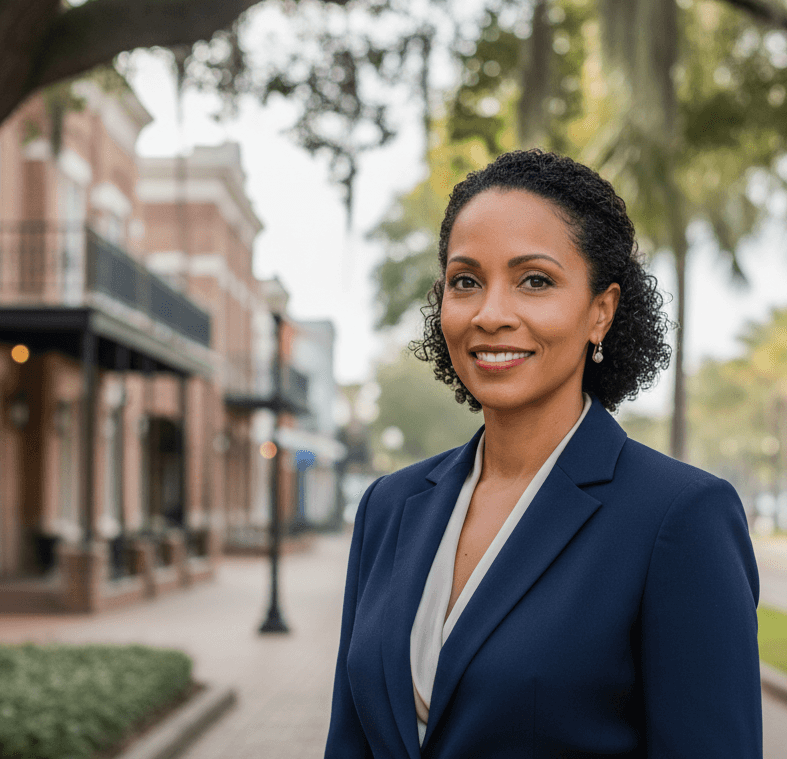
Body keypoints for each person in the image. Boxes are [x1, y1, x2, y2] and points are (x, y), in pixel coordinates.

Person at [324, 149, 761, 758]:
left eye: (535, 280)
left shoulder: (680, 518)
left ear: (600, 312)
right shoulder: (389, 507)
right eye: (466, 281)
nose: (491, 313)